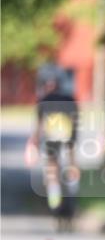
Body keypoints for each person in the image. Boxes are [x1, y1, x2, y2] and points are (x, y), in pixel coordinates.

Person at [26, 65, 79, 211]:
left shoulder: (43, 101)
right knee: (72, 163)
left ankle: (54, 197)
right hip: (68, 135)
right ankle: (73, 191)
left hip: (52, 136)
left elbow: (39, 125)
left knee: (51, 166)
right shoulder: (70, 99)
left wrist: (34, 141)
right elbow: (75, 120)